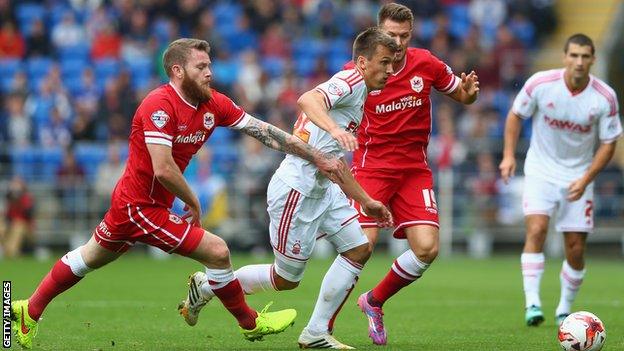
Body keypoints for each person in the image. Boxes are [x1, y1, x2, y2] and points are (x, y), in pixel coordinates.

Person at [10, 38, 347, 349]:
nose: (209, 72)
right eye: (201, 67)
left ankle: (29, 309)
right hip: (139, 204)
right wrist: (194, 200)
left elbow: (264, 132)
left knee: (90, 257)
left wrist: (315, 155)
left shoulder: (213, 103)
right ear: (178, 70)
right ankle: (250, 322)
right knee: (217, 251)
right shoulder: (159, 104)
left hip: (136, 203)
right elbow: (163, 168)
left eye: (209, 65)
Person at [178, 27, 397, 349]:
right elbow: (307, 99)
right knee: (286, 279)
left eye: (394, 63)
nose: (390, 70)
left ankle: (316, 333)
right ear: (363, 62)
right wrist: (336, 129)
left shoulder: (361, 89)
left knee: (360, 248)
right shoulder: (350, 81)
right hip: (298, 190)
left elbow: (333, 163)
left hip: (324, 187)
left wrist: (365, 201)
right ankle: (208, 285)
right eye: (385, 62)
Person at [345, 3, 480, 345]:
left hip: (413, 170)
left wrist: (469, 93)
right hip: (372, 167)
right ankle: (321, 327)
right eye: (391, 35)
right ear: (378, 33)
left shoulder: (426, 63)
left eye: (405, 35)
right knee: (362, 246)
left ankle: (374, 301)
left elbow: (461, 95)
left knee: (427, 248)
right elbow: (322, 101)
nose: (399, 42)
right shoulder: (358, 71)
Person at [499, 33, 622, 327]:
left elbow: (609, 143)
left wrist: (587, 177)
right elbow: (516, 115)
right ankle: (532, 304)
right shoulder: (541, 84)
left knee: (576, 247)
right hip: (540, 170)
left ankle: (564, 309)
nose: (579, 62)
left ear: (593, 60)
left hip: (578, 176)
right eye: (574, 55)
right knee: (537, 230)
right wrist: (508, 155)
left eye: (585, 57)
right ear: (565, 57)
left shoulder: (604, 97)